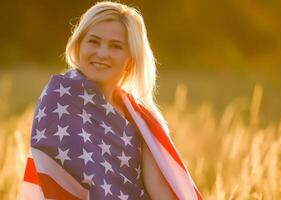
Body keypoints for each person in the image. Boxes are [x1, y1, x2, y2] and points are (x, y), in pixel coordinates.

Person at [21, 1, 203, 200]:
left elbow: (158, 186)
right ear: (79, 45)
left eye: (115, 46)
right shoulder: (60, 97)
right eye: (94, 41)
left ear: (130, 59)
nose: (102, 53)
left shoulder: (139, 118)